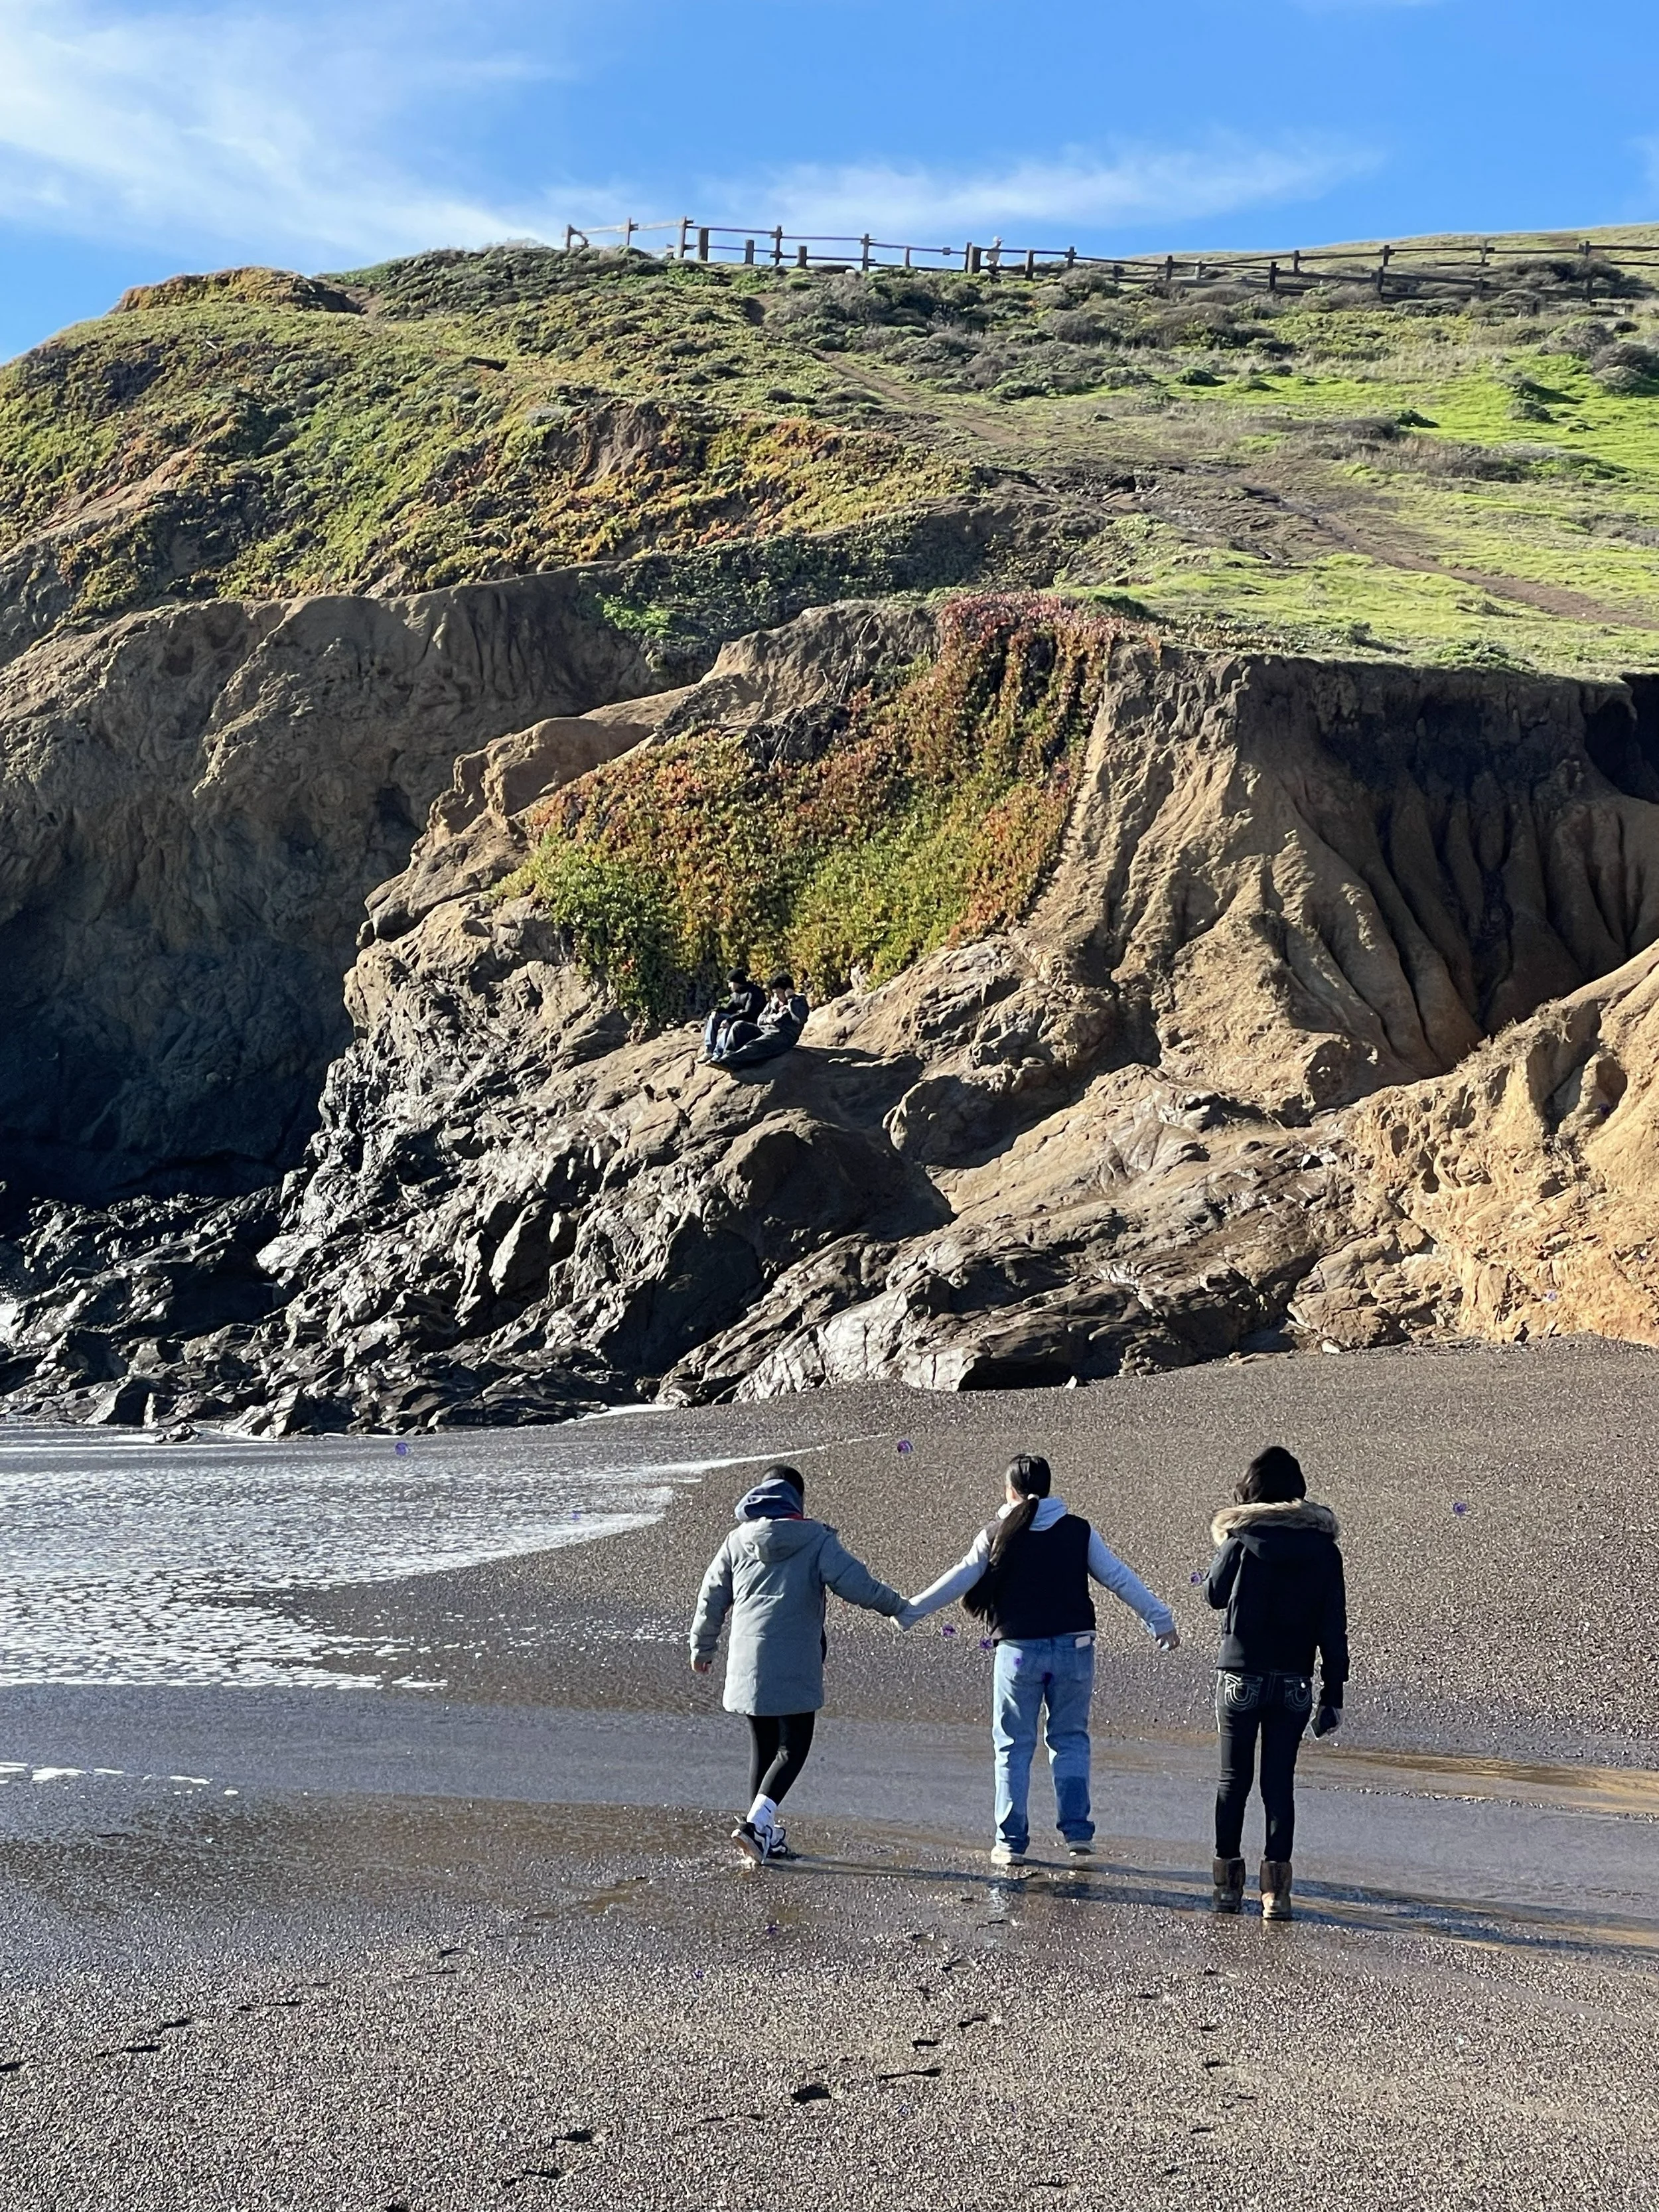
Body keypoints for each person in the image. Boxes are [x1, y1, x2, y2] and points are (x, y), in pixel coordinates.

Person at [901, 1454, 1179, 1867]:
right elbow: (1119, 1577)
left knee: (1013, 1746)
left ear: (1009, 1490)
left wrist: (909, 1611)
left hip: (1018, 1655)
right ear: (1048, 1488)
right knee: (1069, 1741)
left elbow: (960, 1577)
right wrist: (1160, 1620)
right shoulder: (1077, 1530)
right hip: (1075, 1650)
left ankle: (1010, 1843)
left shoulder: (996, 1533)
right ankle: (1078, 1835)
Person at [689, 1463, 906, 1864]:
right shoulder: (815, 1540)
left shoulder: (737, 1542)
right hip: (793, 1663)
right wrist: (898, 1608)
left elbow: (711, 1596)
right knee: (794, 1748)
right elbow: (857, 1583)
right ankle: (756, 1828)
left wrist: (702, 1649)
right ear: (797, 1500)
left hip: (746, 1665)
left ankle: (762, 1838)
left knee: (765, 1746)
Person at [1204, 1444, 1348, 1922]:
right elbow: (1333, 1626)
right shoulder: (1324, 1550)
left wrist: (1230, 1540)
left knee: (1232, 1781)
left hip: (1241, 1673)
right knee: (1278, 1785)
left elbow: (1214, 1595)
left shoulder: (1241, 1538)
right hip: (1294, 1679)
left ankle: (1227, 1886)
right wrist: (1334, 1693)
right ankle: (1276, 1893)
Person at [712, 973, 808, 1068]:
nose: (777, 997)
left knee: (756, 1045)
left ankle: (732, 1062)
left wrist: (791, 998)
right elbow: (760, 1020)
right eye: (775, 993)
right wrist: (768, 1019)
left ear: (788, 990)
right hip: (764, 1030)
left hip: (783, 1036)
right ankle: (726, 1056)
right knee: (738, 1026)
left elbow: (800, 1019)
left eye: (779, 993)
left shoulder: (798, 1001)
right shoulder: (774, 1003)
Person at [701, 967, 764, 1061]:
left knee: (731, 1025)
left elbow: (750, 1014)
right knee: (714, 1018)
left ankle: (718, 1054)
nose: (729, 986)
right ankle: (709, 1050)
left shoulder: (754, 993)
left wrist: (729, 1020)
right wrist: (717, 1011)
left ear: (737, 982)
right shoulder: (736, 994)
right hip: (739, 1019)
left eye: (730, 982)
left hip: (751, 1024)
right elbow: (730, 1008)